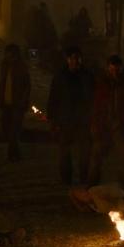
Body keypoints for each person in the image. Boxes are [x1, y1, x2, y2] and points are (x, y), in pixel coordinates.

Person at [88, 55, 124, 192]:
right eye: (112, 69)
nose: (115, 72)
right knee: (96, 158)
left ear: (121, 68)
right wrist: (95, 125)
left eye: (117, 69)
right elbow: (96, 106)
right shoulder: (102, 84)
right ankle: (91, 187)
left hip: (122, 125)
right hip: (104, 127)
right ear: (108, 68)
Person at [47, 46, 94, 185]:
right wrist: (53, 120)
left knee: (85, 153)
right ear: (68, 59)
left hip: (84, 121)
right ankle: (66, 179)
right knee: (64, 152)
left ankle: (84, 178)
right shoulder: (60, 76)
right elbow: (53, 98)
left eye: (78, 58)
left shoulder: (87, 76)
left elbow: (93, 97)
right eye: (73, 58)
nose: (76, 61)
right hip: (65, 120)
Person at [0, 44, 31, 162]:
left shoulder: (21, 66)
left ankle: (12, 154)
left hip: (17, 104)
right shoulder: (4, 65)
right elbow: (2, 82)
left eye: (10, 53)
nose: (8, 56)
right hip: (6, 103)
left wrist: (23, 100)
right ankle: (15, 154)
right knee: (7, 128)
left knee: (14, 130)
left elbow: (27, 85)